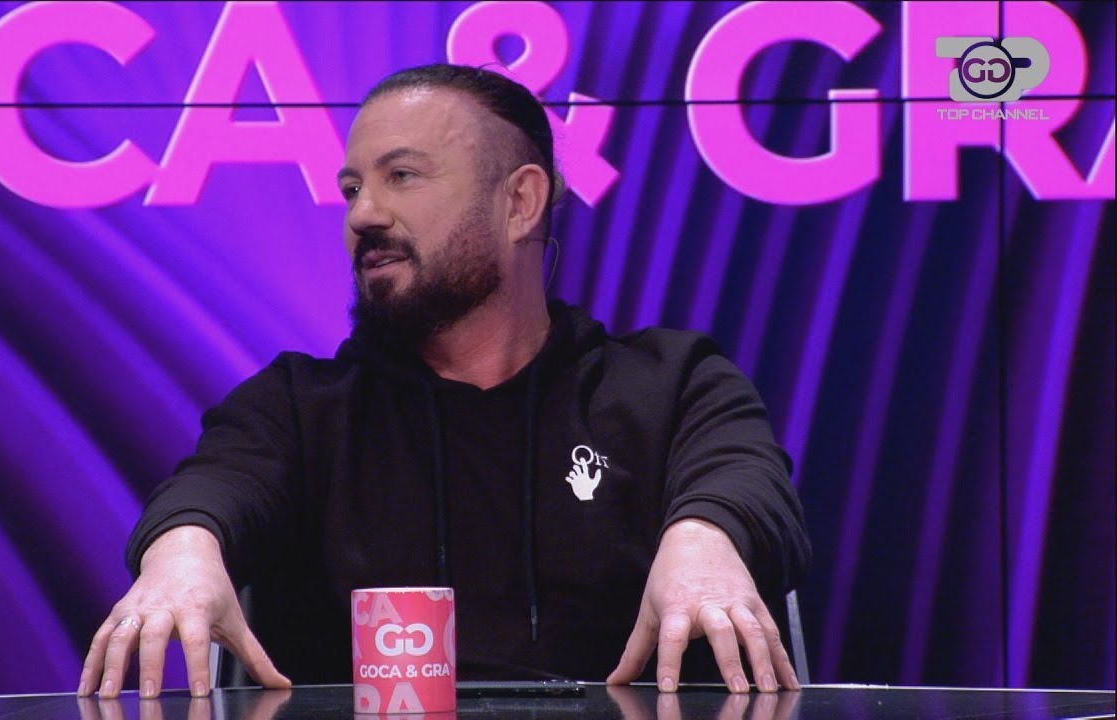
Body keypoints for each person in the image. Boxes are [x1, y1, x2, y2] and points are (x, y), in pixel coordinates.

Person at [78, 64, 811, 701]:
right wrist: (182, 553)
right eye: (352, 187)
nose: (363, 214)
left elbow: (745, 482)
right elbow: (215, 486)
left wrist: (704, 539)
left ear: (520, 203)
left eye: (401, 176)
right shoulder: (299, 406)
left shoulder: (671, 383)